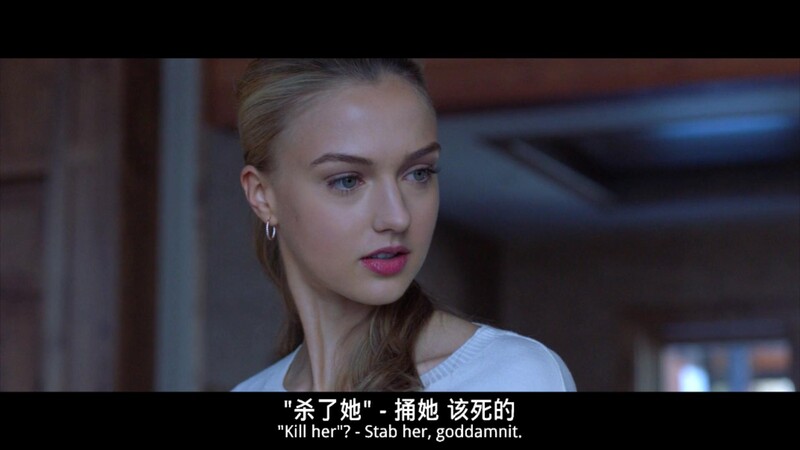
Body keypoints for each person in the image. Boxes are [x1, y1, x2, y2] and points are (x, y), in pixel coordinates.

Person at [233, 59, 575, 392]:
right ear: (262, 196)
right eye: (347, 180)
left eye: (418, 173)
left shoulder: (512, 377)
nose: (397, 217)